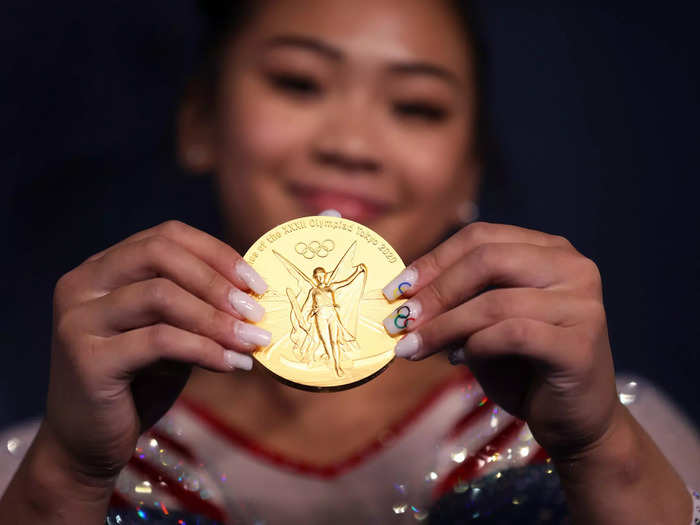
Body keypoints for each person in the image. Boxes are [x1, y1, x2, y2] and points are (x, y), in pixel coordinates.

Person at [0, 0, 697, 523]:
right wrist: (67, 477)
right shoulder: (41, 463)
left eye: (417, 107)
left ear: (468, 171)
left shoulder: (617, 434)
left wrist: (603, 449)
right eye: (299, 83)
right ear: (200, 121)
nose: (353, 143)